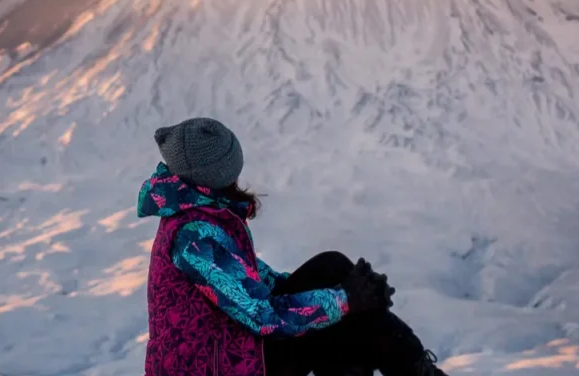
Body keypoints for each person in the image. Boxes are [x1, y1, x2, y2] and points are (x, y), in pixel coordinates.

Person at [137, 116, 449, 376]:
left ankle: (413, 366)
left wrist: (341, 293)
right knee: (338, 310)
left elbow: (257, 284)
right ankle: (418, 369)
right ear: (218, 172)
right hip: (214, 367)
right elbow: (262, 315)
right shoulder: (195, 236)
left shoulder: (204, 215)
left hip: (230, 352)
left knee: (332, 276)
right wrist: (345, 299)